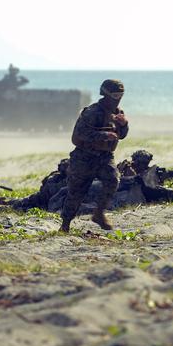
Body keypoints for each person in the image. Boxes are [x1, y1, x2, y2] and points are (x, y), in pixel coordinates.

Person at [59, 79, 129, 233]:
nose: (118, 98)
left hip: (105, 157)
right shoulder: (92, 112)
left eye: (121, 94)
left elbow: (121, 135)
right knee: (76, 192)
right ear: (106, 94)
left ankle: (99, 214)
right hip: (84, 157)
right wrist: (104, 135)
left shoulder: (118, 113)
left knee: (112, 180)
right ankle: (65, 224)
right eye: (115, 95)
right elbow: (80, 134)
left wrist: (124, 125)